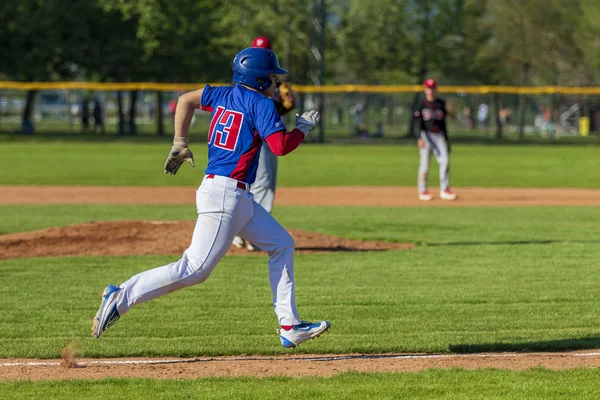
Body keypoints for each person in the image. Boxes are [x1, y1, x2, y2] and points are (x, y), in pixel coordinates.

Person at [92, 47, 330, 349]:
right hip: (226, 197)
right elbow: (281, 146)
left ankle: (290, 325)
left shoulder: (223, 94)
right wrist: (304, 129)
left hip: (235, 196)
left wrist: (180, 142)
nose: (275, 82)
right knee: (193, 270)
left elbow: (185, 100)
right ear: (258, 79)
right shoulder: (262, 103)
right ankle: (121, 296)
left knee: (281, 244)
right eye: (271, 76)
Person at [233, 36, 296, 252]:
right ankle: (252, 232)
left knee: (264, 181)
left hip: (269, 134)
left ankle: (243, 229)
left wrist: (283, 103)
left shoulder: (275, 82)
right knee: (263, 183)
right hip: (256, 136)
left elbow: (285, 107)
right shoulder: (254, 80)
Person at [413, 78, 457, 201]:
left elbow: (444, 123)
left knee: (445, 161)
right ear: (425, 89)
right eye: (428, 88)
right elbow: (417, 122)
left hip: (439, 135)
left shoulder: (440, 104)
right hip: (425, 135)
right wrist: (418, 138)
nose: (430, 90)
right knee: (425, 165)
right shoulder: (421, 103)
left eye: (432, 88)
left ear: (435, 89)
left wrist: (447, 140)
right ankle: (423, 190)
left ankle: (445, 189)